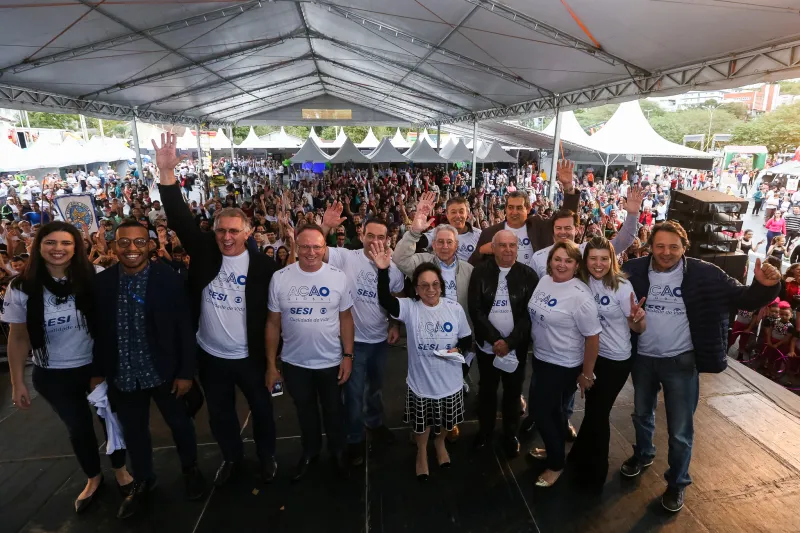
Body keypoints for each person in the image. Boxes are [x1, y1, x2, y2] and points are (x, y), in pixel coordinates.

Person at [620, 221, 781, 512]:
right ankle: (643, 454)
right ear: (650, 247)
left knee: (680, 430)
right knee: (641, 414)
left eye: (673, 246)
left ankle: (677, 483)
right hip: (642, 359)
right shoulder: (634, 270)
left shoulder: (706, 273)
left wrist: (765, 286)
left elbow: (743, 298)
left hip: (681, 362)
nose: (666, 252)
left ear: (684, 248)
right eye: (660, 246)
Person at [153, 133, 279, 487]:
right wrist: (166, 173)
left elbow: (274, 317)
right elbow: (178, 217)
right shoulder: (206, 252)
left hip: (250, 358)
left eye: (234, 231)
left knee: (264, 411)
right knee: (221, 416)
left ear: (248, 231)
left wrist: (273, 363)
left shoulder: (265, 269)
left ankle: (267, 456)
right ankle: (233, 459)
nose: (226, 237)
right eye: (221, 230)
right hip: (211, 357)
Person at [4, 221, 133, 513]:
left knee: (112, 422)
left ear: (77, 247)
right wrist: (17, 382)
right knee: (78, 429)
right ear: (38, 247)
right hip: (53, 374)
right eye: (51, 242)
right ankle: (93, 477)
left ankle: (121, 469)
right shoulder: (21, 286)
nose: (58, 249)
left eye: (66, 243)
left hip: (96, 367)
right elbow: (19, 336)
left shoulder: (95, 277)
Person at [90, 220, 204, 519]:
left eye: (139, 242)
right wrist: (98, 374)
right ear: (114, 247)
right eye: (124, 242)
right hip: (123, 374)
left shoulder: (168, 278)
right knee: (134, 432)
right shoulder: (101, 284)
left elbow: (184, 329)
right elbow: (99, 333)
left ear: (150, 245)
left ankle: (190, 469)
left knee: (180, 425)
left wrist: (185, 373)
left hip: (164, 371)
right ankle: (143, 481)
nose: (132, 248)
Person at [372, 245, 472, 480]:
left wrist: (458, 350)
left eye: (435, 284)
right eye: (424, 285)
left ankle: (439, 445)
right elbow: (386, 300)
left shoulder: (454, 308)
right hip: (421, 384)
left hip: (451, 383)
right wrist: (382, 270)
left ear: (441, 286)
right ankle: (421, 453)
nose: (431, 289)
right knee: (421, 425)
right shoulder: (410, 308)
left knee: (449, 422)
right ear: (416, 289)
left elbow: (467, 339)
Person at [266, 224, 355, 480]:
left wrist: (348, 356)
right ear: (296, 247)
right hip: (295, 363)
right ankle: (311, 452)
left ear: (324, 248)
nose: (311, 252)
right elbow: (273, 323)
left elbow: (346, 318)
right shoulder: (280, 278)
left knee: (334, 411)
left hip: (330, 361)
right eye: (304, 246)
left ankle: (338, 452)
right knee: (305, 412)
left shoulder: (338, 277)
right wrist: (272, 364)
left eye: (316, 246)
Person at [317, 203, 404, 466]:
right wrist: (325, 226)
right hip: (352, 342)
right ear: (362, 234)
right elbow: (316, 251)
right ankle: (354, 438)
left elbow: (396, 298)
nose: (375, 241)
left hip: (379, 340)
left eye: (381, 237)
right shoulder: (346, 257)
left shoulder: (393, 270)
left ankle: (374, 423)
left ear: (388, 239)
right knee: (352, 395)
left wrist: (394, 325)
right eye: (371, 235)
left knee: (375, 389)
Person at [567, 237, 646, 492]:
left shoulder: (622, 287)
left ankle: (596, 474)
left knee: (598, 414)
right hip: (592, 356)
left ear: (612, 260)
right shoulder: (581, 282)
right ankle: (578, 457)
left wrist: (637, 319)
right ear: (585, 260)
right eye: (593, 258)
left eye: (604, 258)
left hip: (616, 359)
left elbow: (638, 328)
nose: (598, 264)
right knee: (592, 409)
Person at [527, 240, 601, 488]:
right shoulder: (545, 281)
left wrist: (587, 374)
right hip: (541, 357)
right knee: (555, 412)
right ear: (550, 262)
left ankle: (557, 464)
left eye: (568, 260)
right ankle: (553, 449)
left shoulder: (580, 296)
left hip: (563, 364)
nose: (561, 264)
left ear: (576, 264)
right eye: (557, 259)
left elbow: (592, 337)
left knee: (540, 411)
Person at [468, 229, 538, 456]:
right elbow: (475, 310)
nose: (508, 249)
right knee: (487, 391)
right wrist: (495, 340)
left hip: (515, 348)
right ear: (493, 248)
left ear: (517, 248)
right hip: (487, 347)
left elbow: (530, 314)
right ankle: (485, 431)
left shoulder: (528, 275)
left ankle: (511, 434)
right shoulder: (479, 272)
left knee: (513, 392)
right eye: (502, 245)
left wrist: (509, 342)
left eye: (512, 245)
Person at [469, 160, 580, 266]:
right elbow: (473, 265)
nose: (514, 212)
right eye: (511, 207)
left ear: (528, 209)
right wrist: (481, 251)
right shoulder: (490, 233)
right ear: (505, 209)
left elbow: (567, 216)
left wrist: (568, 186)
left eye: (519, 208)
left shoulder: (539, 226)